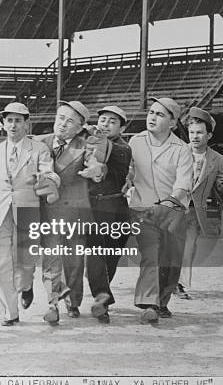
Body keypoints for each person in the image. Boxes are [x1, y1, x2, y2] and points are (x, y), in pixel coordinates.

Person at [0, 102, 59, 326]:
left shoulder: (39, 149)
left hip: (27, 210)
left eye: (18, 120)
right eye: (9, 120)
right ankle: (11, 312)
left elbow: (51, 174)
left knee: (25, 265)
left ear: (27, 123)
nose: (13, 125)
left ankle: (26, 287)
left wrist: (44, 179)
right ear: (3, 124)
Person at [123, 97, 193, 324]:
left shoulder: (182, 150)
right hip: (143, 210)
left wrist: (167, 204)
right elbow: (129, 171)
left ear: (173, 123)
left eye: (160, 115)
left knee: (171, 261)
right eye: (151, 112)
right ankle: (149, 304)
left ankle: (162, 302)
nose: (152, 117)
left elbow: (183, 185)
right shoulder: (135, 141)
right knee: (151, 255)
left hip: (172, 210)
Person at [34, 101, 103, 324]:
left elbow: (95, 164)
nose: (62, 124)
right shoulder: (39, 143)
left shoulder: (85, 146)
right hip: (48, 211)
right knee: (51, 259)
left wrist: (96, 171)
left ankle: (73, 302)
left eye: (70, 121)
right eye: (60, 117)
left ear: (80, 126)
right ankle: (52, 303)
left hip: (75, 213)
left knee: (74, 261)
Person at [85, 105, 132, 323]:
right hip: (92, 206)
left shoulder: (122, 148)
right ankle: (101, 300)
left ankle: (101, 293)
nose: (105, 124)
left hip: (115, 206)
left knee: (111, 257)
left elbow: (102, 166)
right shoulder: (90, 140)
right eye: (103, 119)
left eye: (112, 121)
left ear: (122, 128)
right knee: (96, 253)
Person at [175, 107, 223, 300]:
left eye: (199, 133)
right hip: (174, 207)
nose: (195, 136)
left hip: (195, 212)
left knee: (189, 248)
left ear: (209, 135)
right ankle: (166, 281)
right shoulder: (178, 152)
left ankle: (180, 284)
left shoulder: (218, 159)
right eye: (191, 133)